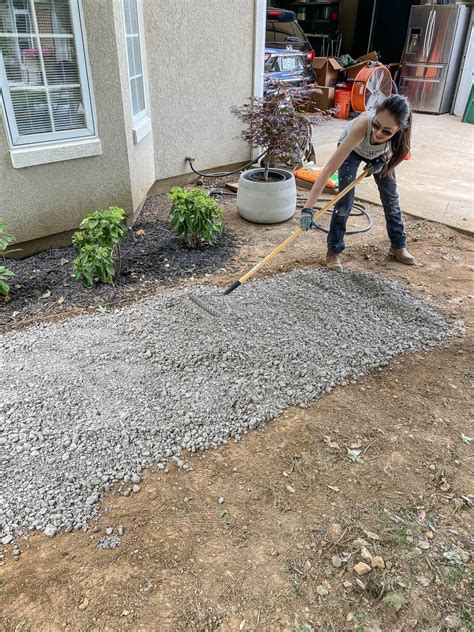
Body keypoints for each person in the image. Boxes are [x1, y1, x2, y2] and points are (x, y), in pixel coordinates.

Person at [300, 94, 415, 271]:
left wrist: (383, 159)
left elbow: (400, 153)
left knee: (391, 199)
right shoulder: (362, 126)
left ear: (398, 129)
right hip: (353, 150)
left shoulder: (401, 134)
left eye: (387, 131)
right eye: (376, 125)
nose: (378, 133)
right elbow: (328, 170)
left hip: (379, 156)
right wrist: (308, 209)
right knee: (345, 201)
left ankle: (398, 246)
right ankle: (333, 252)